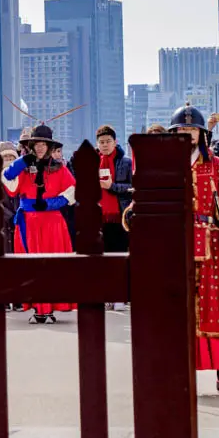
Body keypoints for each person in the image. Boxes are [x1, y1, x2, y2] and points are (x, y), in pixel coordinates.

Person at [167, 104, 219, 394]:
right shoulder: (166, 167)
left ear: (202, 133)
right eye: (182, 129)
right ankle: (177, 371)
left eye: (192, 129)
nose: (187, 134)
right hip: (177, 242)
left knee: (218, 307)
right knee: (177, 307)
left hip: (213, 244)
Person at [3, 124, 76, 324]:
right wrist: (21, 161)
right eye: (37, 144)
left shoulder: (59, 168)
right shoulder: (24, 167)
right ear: (32, 145)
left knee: (52, 266)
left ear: (50, 146)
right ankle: (38, 308)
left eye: (44, 144)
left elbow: (72, 191)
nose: (41, 147)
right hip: (29, 222)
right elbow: (8, 181)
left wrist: (52, 203)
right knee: (31, 266)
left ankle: (49, 308)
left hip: (52, 222)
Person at [95, 125, 133, 310]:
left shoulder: (125, 162)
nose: (105, 145)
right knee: (103, 258)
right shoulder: (94, 161)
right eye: (101, 142)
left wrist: (112, 186)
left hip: (119, 216)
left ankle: (120, 295)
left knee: (119, 256)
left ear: (115, 142)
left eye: (108, 141)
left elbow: (132, 188)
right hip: (99, 217)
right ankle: (106, 294)